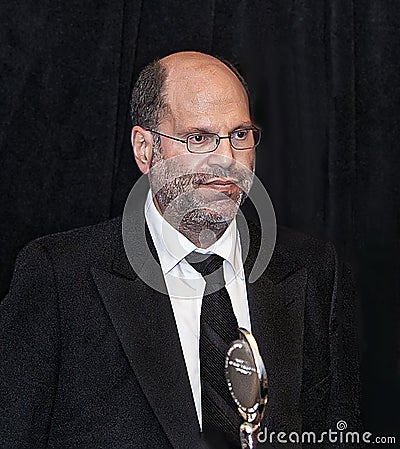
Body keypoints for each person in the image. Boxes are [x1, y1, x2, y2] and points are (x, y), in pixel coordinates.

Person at [0, 51, 361, 448]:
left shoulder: (315, 271)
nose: (227, 159)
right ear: (145, 149)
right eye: (199, 138)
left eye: (239, 134)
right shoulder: (58, 279)